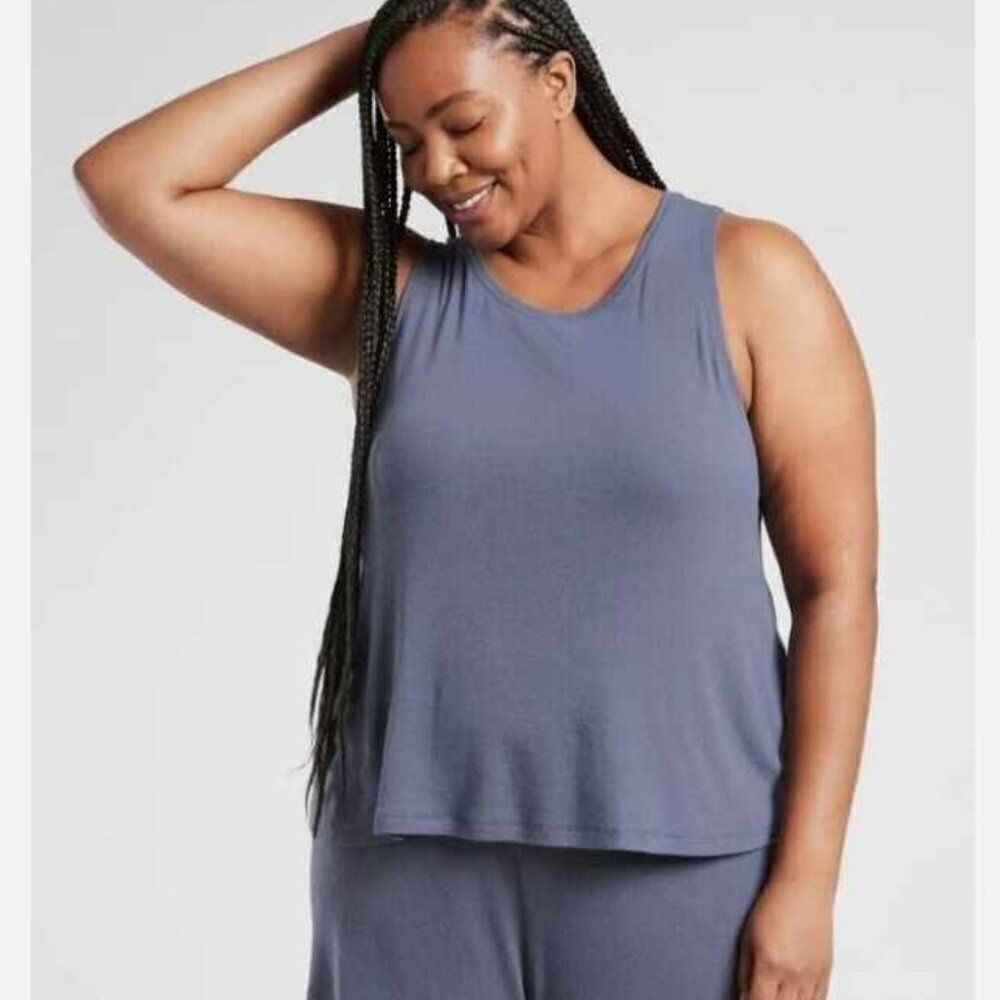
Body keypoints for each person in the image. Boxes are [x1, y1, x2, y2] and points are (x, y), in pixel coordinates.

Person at [72, 3, 878, 998]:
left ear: (557, 81)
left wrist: (807, 883)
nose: (436, 170)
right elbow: (130, 182)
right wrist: (382, 39)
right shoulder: (391, 295)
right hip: (407, 867)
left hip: (680, 865)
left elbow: (836, 592)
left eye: (462, 122)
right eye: (405, 140)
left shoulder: (752, 279)